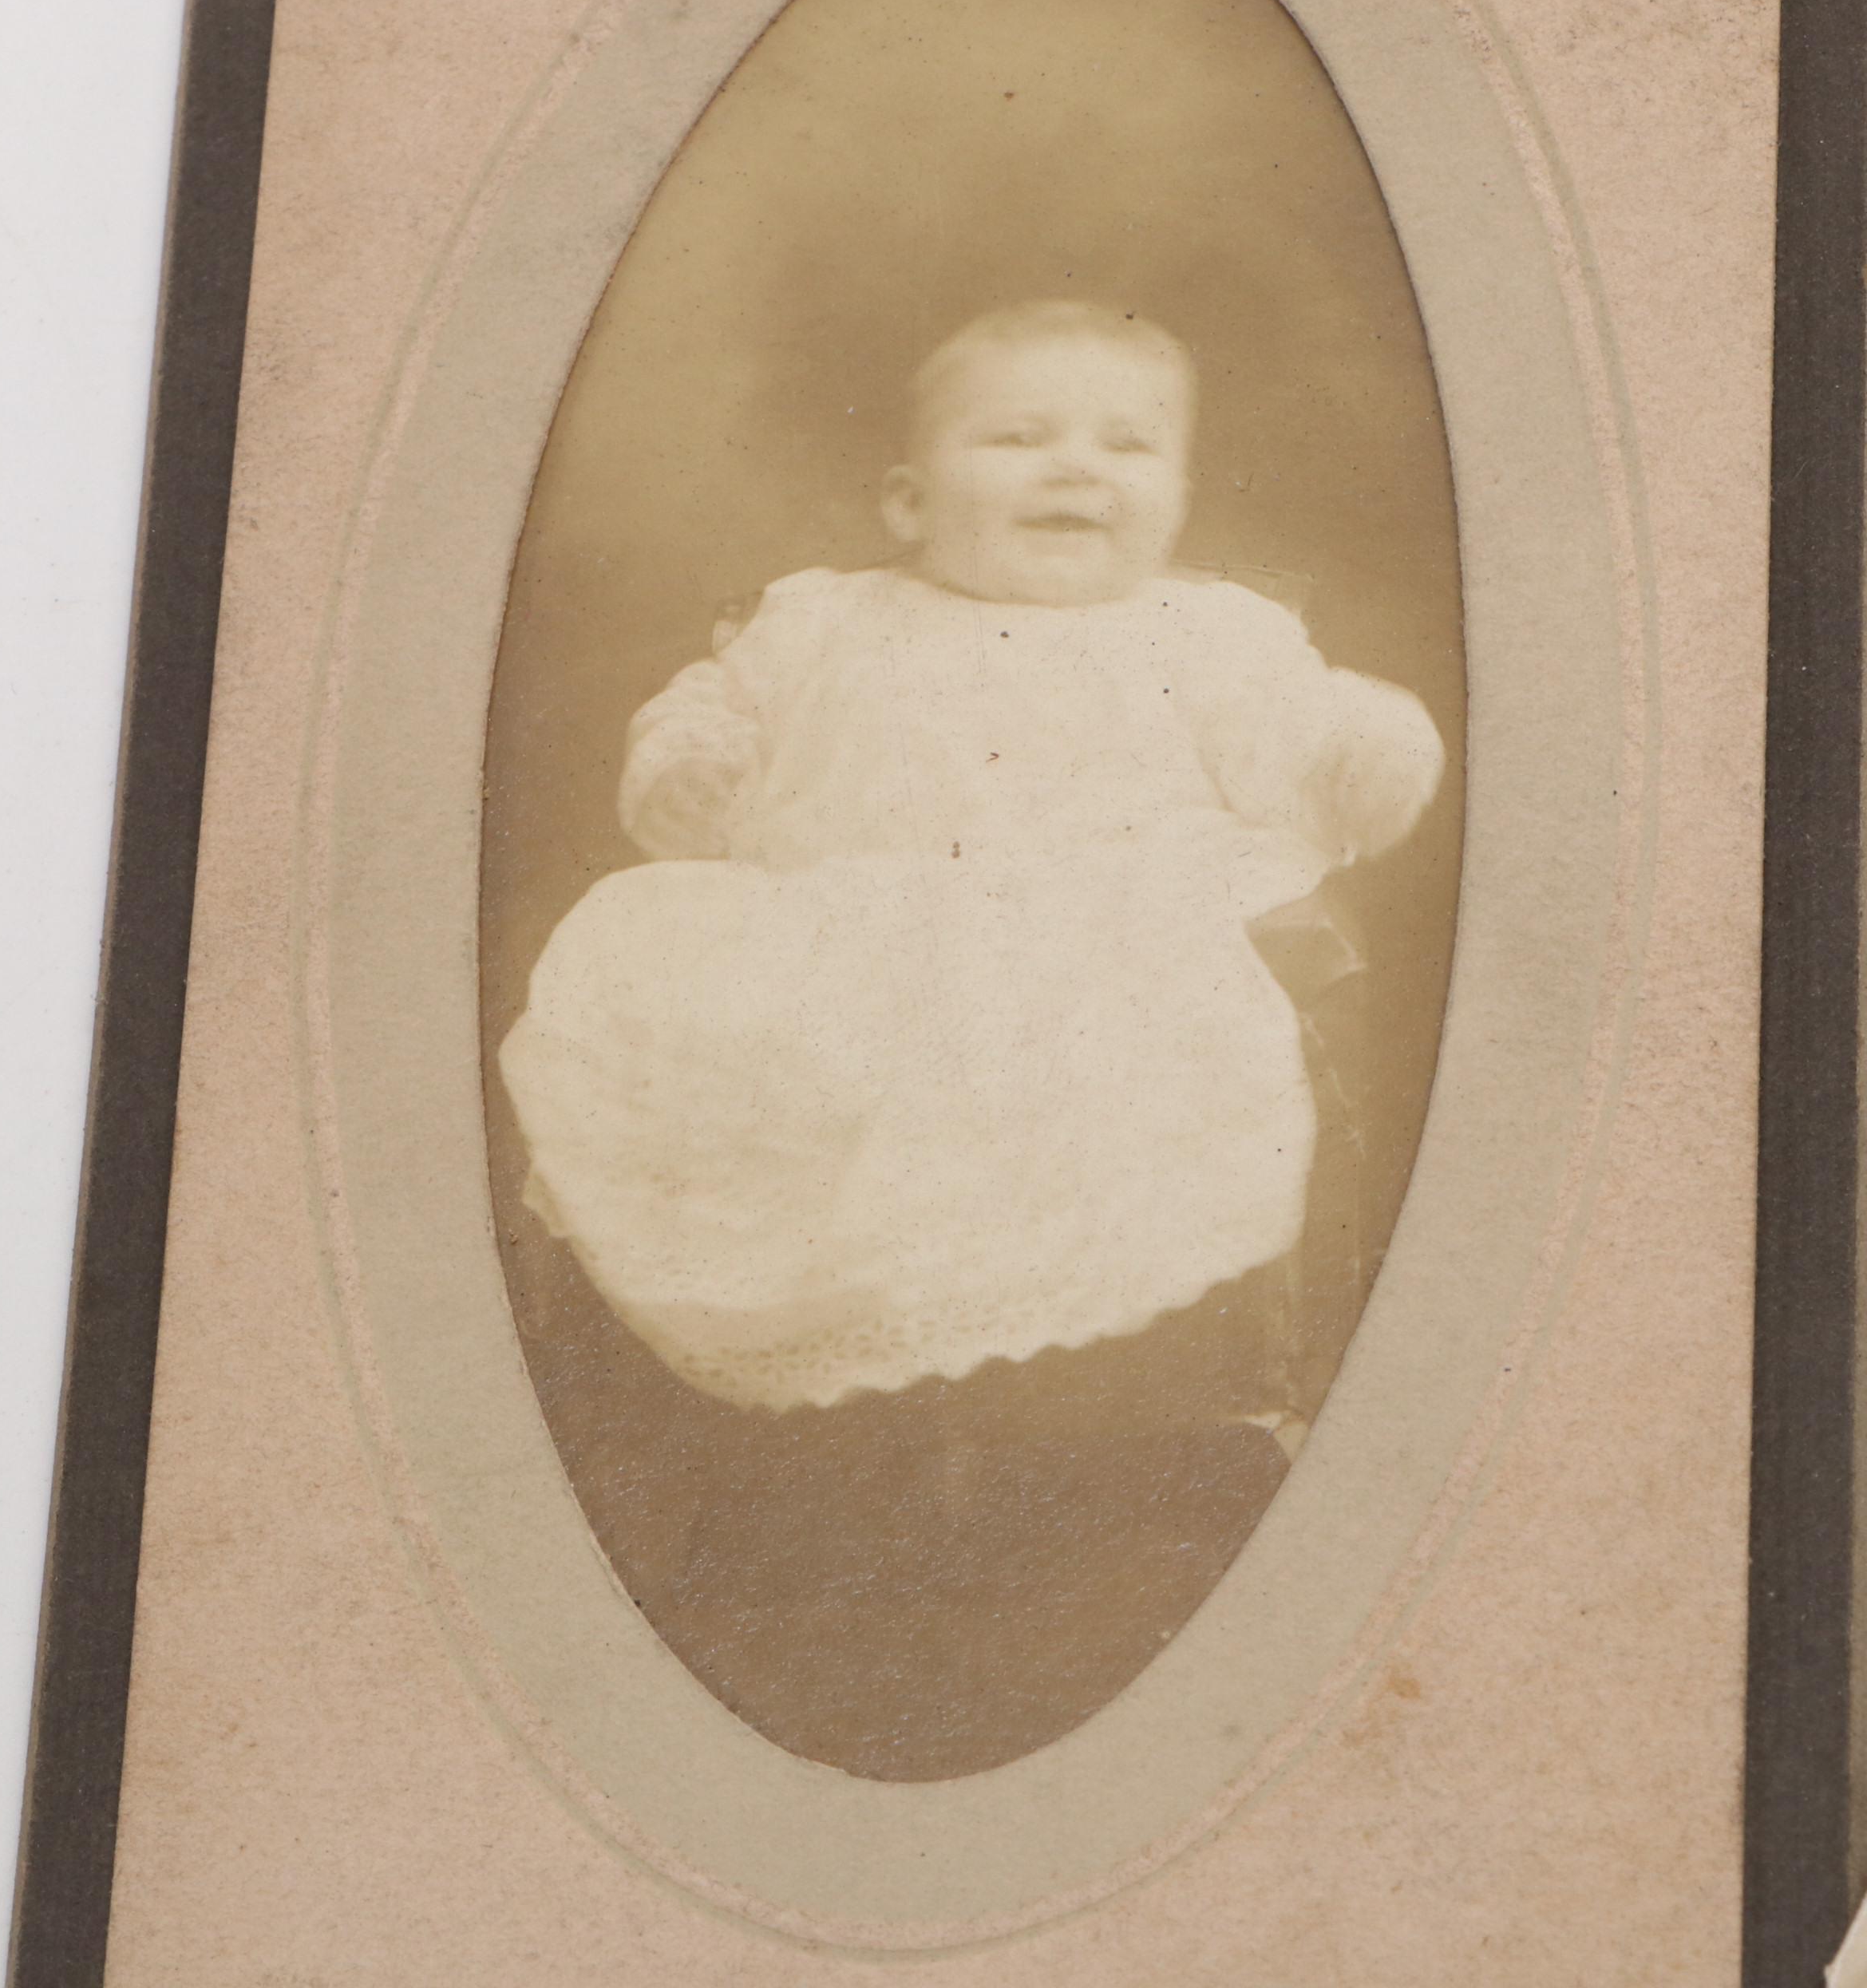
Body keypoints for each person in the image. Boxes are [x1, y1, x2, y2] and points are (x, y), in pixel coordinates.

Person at [499, 299, 1443, 1419]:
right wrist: (689, 771)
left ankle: (1075, 1370)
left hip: (1100, 933)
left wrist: (1364, 758)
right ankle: (824, 1355)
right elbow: (713, 711)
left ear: (1179, 501)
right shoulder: (821, 621)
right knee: (666, 978)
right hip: (829, 938)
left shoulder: (1205, 635)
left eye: (1128, 445)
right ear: (910, 500)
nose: (1076, 468)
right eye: (1019, 437)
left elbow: (1312, 737)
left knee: (1095, 1043)